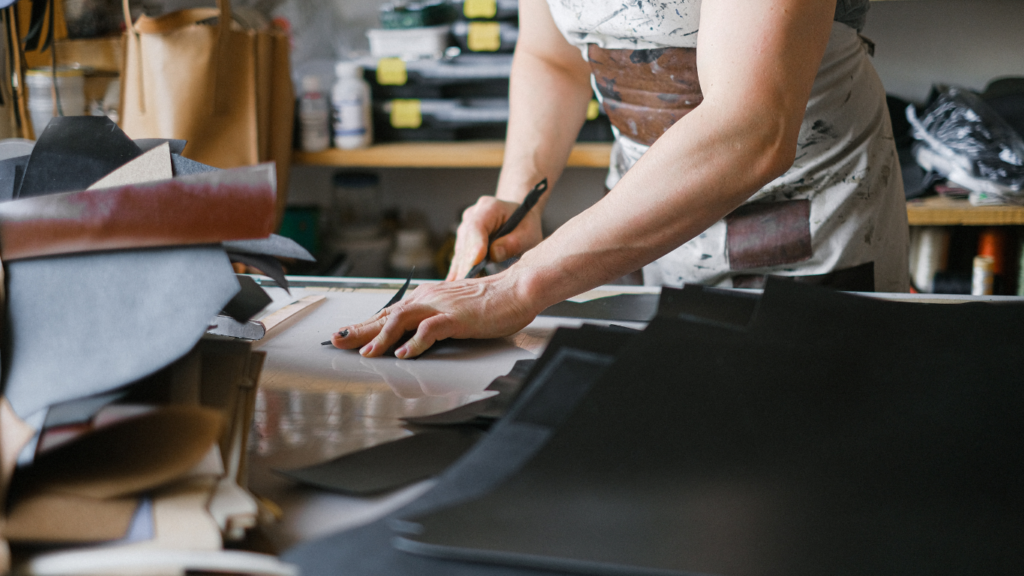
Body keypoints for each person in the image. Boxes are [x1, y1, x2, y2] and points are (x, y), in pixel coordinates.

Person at [330, 0, 909, 358]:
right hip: (643, 226)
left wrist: (518, 285)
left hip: (806, 228)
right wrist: (519, 196)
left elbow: (750, 129)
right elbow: (549, 58)